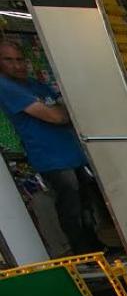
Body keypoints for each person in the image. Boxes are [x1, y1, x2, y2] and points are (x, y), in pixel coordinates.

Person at [0, 40, 107, 254]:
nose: (17, 65)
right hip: (51, 158)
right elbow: (57, 115)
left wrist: (62, 112)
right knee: (71, 206)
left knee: (85, 203)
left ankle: (95, 247)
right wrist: (60, 112)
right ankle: (84, 253)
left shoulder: (34, 85)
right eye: (9, 60)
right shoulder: (7, 87)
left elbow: (67, 110)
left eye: (20, 59)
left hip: (71, 153)